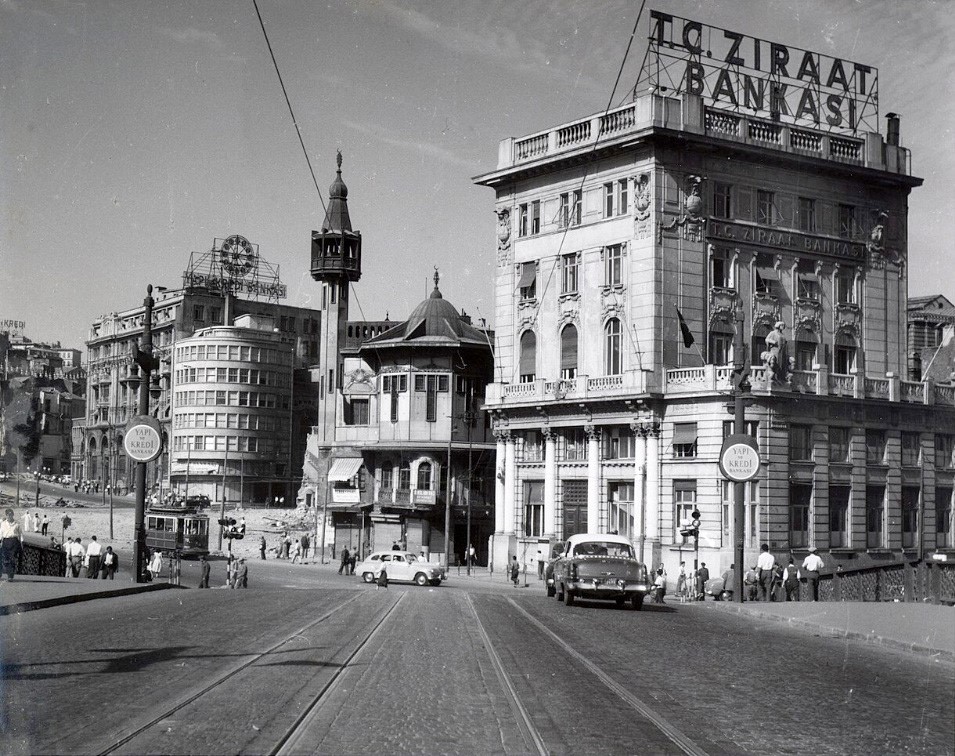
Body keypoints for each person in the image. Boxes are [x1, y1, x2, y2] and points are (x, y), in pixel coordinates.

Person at [1, 508, 23, 581]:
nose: (9, 516)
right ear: (6, 515)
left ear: (13, 515)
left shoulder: (17, 524)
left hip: (14, 542)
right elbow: (1, 533)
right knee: (6, 559)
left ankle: (10, 576)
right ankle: (8, 572)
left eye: (11, 514)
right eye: (8, 515)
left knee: (12, 558)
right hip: (5, 541)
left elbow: (20, 534)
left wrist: (21, 542)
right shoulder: (3, 523)